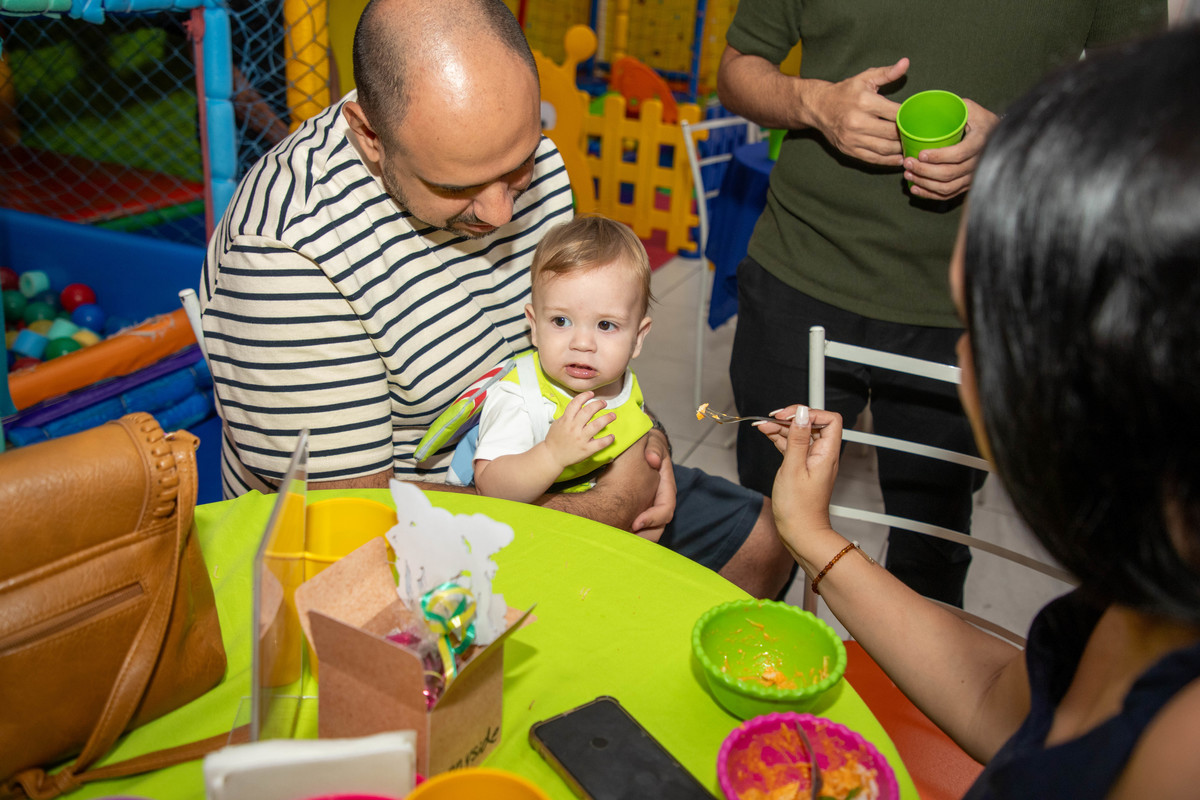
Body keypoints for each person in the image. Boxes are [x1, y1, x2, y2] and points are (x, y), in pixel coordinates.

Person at [198, 0, 792, 598]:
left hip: (554, 455)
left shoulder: (520, 156)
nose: (502, 211)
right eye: (457, 186)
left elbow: (581, 336)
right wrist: (612, 505)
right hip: (389, 538)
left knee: (765, 541)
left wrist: (649, 443)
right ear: (370, 135)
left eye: (519, 167)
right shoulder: (285, 252)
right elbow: (351, 520)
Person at [758, 25, 1200, 796]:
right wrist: (811, 534)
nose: (963, 367)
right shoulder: (1148, 597)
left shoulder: (1178, 752)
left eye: (983, 333)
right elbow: (1002, 702)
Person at [716, 0, 1165, 605]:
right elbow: (738, 68)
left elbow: (1139, 106)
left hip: (967, 304)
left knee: (932, 547)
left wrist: (1013, 141)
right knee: (763, 525)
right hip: (798, 274)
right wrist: (813, 103)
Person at [471, 215, 657, 502]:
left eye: (605, 325)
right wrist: (551, 455)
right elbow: (490, 490)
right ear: (534, 326)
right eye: (561, 321)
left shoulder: (621, 381)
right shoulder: (521, 399)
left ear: (637, 338)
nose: (582, 344)